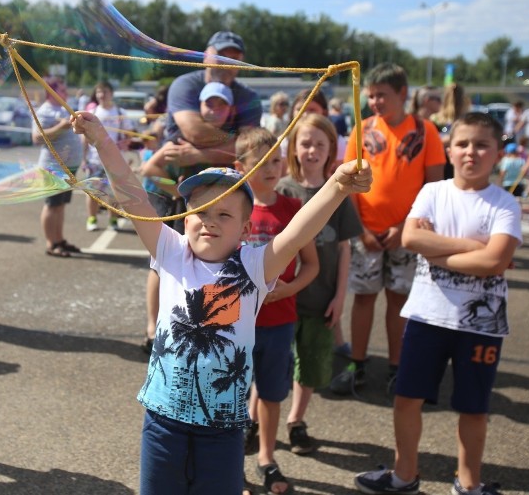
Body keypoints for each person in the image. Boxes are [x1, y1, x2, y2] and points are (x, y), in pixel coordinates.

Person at [70, 108, 372, 495]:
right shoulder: (171, 251)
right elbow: (131, 194)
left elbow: (297, 233)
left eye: (224, 214)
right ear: (185, 218)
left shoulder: (254, 265)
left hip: (224, 426)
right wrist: (101, 139)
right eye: (200, 211)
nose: (208, 221)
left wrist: (337, 186)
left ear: (246, 229)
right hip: (163, 421)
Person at [354, 112, 521, 495]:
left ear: (497, 152)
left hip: (481, 326)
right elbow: (412, 239)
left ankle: (469, 482)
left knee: (474, 407)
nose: (471, 152)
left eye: (482, 145)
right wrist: (476, 248)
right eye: (463, 144)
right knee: (408, 398)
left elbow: (494, 262)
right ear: (449, 149)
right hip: (427, 315)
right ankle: (404, 475)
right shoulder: (433, 192)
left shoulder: (505, 204)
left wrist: (440, 250)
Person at [142, 31, 261, 354]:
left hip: (218, 190)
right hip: (176, 190)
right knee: (164, 260)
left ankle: (207, 331)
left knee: (216, 257)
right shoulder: (185, 84)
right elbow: (191, 132)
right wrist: (228, 142)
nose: (228, 60)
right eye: (222, 53)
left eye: (235, 55)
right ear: (205, 54)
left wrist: (197, 154)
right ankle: (156, 328)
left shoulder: (250, 96)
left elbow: (250, 147)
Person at [331, 62, 445, 397]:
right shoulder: (362, 130)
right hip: (366, 233)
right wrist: (361, 229)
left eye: (382, 95)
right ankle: (357, 364)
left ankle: (398, 368)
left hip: (406, 234)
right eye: (372, 96)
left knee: (399, 300)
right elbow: (348, 182)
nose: (376, 102)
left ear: (403, 93)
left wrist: (402, 226)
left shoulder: (426, 131)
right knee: (363, 299)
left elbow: (433, 185)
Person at [235, 127, 318, 495]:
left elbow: (312, 266)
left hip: (279, 322)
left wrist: (288, 288)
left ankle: (267, 457)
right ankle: (231, 464)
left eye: (275, 161)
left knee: (270, 395)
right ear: (241, 166)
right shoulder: (231, 207)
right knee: (234, 396)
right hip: (236, 325)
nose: (270, 169)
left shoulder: (293, 209)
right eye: (260, 163)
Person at [277, 113, 362, 455]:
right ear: (294, 149)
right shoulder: (282, 189)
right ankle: (254, 422)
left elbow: (344, 250)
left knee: (310, 364)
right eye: (305, 143)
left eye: (320, 144)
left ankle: (296, 421)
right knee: (270, 364)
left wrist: (340, 298)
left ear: (332, 150)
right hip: (282, 299)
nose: (312, 150)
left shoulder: (339, 193)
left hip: (321, 298)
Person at [141, 81, 236, 199]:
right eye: (209, 104)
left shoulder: (235, 136)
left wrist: (199, 155)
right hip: (190, 209)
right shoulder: (183, 137)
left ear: (231, 109)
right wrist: (177, 191)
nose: (214, 111)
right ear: (200, 106)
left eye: (221, 105)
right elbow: (149, 169)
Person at [34, 76, 84, 257]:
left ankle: (59, 239)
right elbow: (37, 137)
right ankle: (51, 243)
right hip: (53, 167)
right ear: (51, 91)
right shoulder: (44, 112)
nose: (66, 93)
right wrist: (60, 127)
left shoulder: (64, 108)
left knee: (61, 205)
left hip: (68, 166)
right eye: (62, 90)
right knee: (52, 205)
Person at [84, 80, 136, 232]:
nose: (101, 95)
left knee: (114, 192)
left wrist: (125, 143)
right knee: (93, 191)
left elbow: (129, 135)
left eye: (104, 91)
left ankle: (113, 219)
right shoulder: (92, 113)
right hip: (94, 159)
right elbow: (84, 138)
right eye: (99, 92)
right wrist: (84, 158)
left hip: (114, 159)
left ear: (111, 94)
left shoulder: (120, 113)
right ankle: (92, 218)